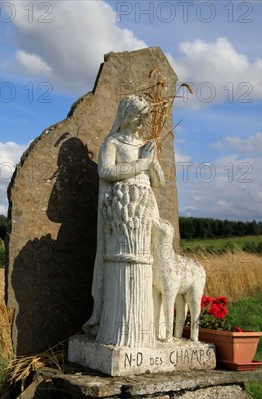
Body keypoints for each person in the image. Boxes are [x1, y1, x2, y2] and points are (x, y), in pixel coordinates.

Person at [83, 95, 165, 347]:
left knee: (154, 258)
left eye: (145, 115)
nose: (143, 119)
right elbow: (105, 172)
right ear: (128, 115)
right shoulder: (114, 141)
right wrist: (142, 163)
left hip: (145, 204)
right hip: (122, 209)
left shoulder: (144, 144)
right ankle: (117, 324)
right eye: (140, 114)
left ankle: (154, 324)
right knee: (126, 259)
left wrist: (152, 159)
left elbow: (159, 181)